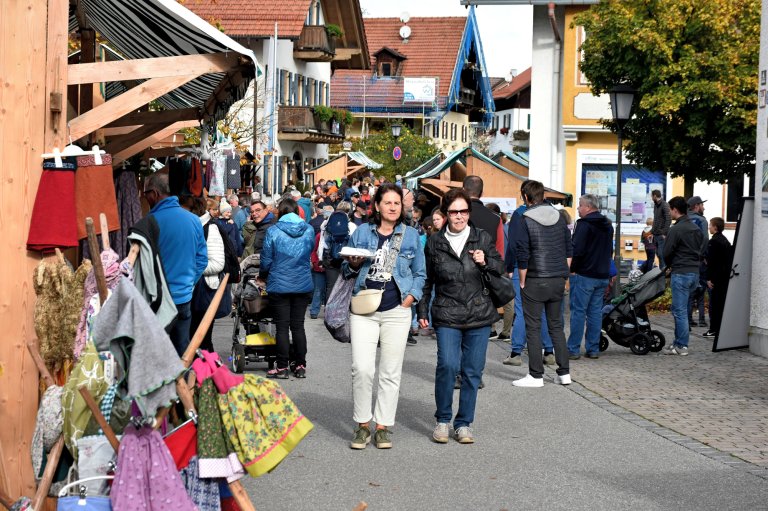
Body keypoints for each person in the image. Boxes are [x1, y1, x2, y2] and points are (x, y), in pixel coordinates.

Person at [342, 183, 426, 450]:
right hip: (364, 309)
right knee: (362, 369)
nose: (392, 207)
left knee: (390, 372)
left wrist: (411, 298)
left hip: (396, 311)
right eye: (387, 202)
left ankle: (383, 426)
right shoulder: (362, 233)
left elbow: (421, 273)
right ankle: (362, 424)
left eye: (397, 203)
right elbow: (346, 267)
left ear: (402, 208)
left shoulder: (411, 235)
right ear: (377, 206)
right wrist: (353, 263)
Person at [418, 189, 504, 444]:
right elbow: (427, 279)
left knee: (472, 371)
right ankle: (443, 420)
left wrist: (485, 260)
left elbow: (500, 267)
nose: (459, 217)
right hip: (447, 312)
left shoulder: (482, 238)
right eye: (454, 212)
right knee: (447, 365)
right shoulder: (435, 242)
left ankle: (464, 423)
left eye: (463, 211)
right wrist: (422, 310)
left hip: (478, 312)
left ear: (469, 212)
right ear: (446, 214)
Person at [512, 180, 572, 388]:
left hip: (535, 279)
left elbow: (523, 252)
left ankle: (536, 375)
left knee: (533, 327)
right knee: (556, 327)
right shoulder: (559, 218)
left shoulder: (524, 219)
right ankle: (564, 373)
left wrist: (522, 279)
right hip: (557, 279)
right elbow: (568, 250)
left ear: (526, 197)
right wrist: (564, 276)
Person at [142, 172, 207, 355]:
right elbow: (202, 260)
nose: (144, 197)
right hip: (183, 297)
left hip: (156, 300)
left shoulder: (148, 223)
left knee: (156, 354)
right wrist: (188, 283)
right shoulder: (194, 220)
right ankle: (183, 383)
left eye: (145, 193)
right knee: (182, 353)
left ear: (154, 193)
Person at [258, 198, 315, 378]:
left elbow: (266, 259)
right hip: (303, 282)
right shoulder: (309, 230)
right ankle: (300, 366)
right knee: (298, 326)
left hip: (279, 283)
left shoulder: (273, 231)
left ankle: (282, 367)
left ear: (281, 212)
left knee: (282, 328)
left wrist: (262, 275)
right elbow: (309, 251)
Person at [502, 181, 556, 367]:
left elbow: (514, 244)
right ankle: (548, 351)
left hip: (521, 267)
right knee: (542, 311)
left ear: (525, 195)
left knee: (522, 310)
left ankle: (516, 353)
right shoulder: (553, 214)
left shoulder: (520, 214)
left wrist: (509, 267)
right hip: (546, 268)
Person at [566, 194, 613, 360]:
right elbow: (609, 250)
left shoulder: (584, 225)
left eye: (579, 205)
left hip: (585, 274)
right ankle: (593, 348)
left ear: (588, 207)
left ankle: (573, 349)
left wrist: (572, 269)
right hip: (602, 274)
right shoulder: (608, 224)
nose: (578, 208)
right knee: (594, 312)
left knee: (578, 311)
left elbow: (576, 250)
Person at [662, 196, 706, 356]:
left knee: (679, 310)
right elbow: (702, 246)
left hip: (680, 272)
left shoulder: (676, 229)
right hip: (694, 272)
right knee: (685, 309)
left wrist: (669, 264)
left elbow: (666, 252)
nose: (669, 213)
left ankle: (681, 345)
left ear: (674, 210)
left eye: (670, 210)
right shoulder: (696, 228)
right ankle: (677, 343)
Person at [188, 197, 230, 353]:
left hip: (203, 288)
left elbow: (218, 263)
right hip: (191, 289)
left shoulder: (209, 228)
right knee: (192, 339)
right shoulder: (192, 227)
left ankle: (209, 374)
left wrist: (191, 269)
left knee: (202, 340)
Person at [704, 217, 732, 338]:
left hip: (716, 279)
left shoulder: (713, 242)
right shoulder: (725, 240)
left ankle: (713, 329)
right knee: (721, 304)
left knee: (714, 305)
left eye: (710, 225)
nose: (709, 227)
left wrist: (709, 278)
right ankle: (720, 329)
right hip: (725, 277)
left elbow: (712, 262)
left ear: (715, 227)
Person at [687, 196, 709, 328]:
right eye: (702, 205)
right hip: (698, 261)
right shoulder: (701, 220)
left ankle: (688, 319)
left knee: (689, 293)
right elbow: (705, 239)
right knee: (700, 290)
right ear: (696, 206)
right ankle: (701, 319)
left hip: (685, 262)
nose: (704, 207)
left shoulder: (683, 220)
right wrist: (700, 254)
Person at [651, 190, 672, 271]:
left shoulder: (664, 204)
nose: (651, 198)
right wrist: (652, 231)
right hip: (655, 234)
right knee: (659, 255)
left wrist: (664, 232)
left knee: (662, 254)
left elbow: (668, 219)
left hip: (661, 235)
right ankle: (662, 273)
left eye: (652, 196)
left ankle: (664, 275)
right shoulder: (656, 205)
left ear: (655, 196)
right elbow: (656, 219)